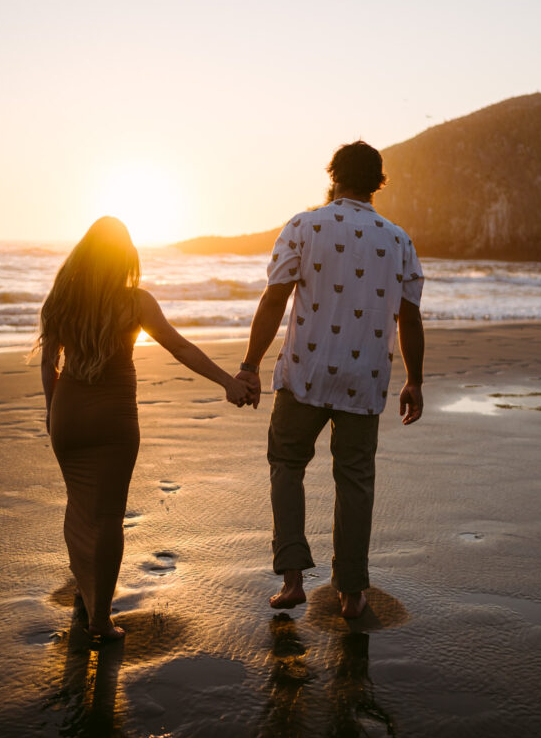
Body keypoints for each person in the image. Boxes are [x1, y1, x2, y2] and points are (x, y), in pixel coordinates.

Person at [35, 216, 251, 641]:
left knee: (78, 508)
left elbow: (49, 364)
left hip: (69, 415)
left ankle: (85, 594)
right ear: (125, 257)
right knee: (108, 517)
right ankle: (99, 619)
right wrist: (228, 381)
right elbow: (180, 347)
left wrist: (51, 409)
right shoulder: (135, 302)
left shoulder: (61, 299)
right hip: (114, 421)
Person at [237, 142, 425, 618]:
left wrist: (250, 364)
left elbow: (276, 297)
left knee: (286, 462)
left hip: (305, 372)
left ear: (333, 175)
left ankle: (294, 578)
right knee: (355, 480)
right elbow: (410, 318)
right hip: (365, 380)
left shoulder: (304, 226)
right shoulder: (398, 239)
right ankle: (352, 591)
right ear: (377, 183)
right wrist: (415, 381)